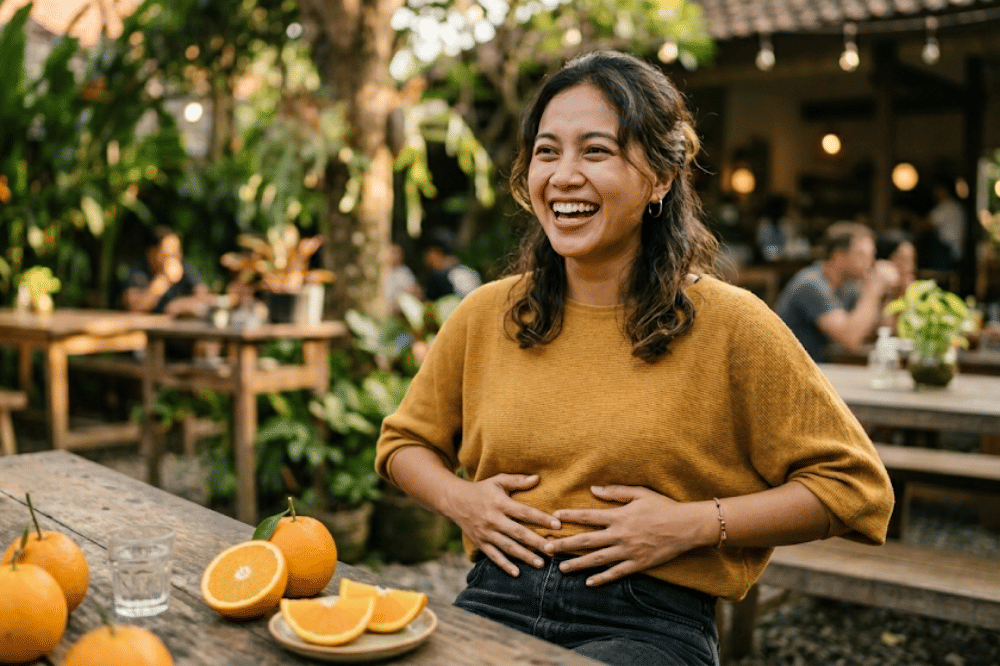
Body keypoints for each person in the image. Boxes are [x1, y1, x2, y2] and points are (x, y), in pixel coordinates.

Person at [376, 51, 893, 666]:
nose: (564, 175)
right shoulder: (488, 314)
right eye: (547, 151)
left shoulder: (734, 324)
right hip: (496, 600)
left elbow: (854, 489)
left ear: (661, 178)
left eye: (596, 151)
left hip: (650, 623)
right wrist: (462, 501)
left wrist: (695, 525)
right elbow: (402, 445)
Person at [774, 222, 900, 362]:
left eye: (872, 255)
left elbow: (878, 330)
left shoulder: (849, 287)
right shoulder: (811, 285)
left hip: (822, 369)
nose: (870, 262)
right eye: (861, 254)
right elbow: (850, 337)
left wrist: (888, 294)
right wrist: (874, 289)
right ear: (838, 255)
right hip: (794, 371)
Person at [123, 226, 213, 317]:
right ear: (151, 253)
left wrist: (180, 304)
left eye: (177, 253)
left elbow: (203, 295)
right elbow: (134, 307)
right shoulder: (139, 271)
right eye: (167, 254)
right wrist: (164, 280)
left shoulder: (184, 266)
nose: (174, 259)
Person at [420, 227, 481, 301]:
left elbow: (428, 306)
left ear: (436, 252)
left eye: (427, 253)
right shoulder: (471, 272)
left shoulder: (437, 277)